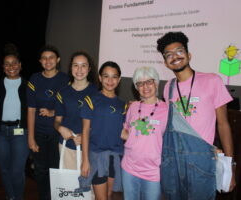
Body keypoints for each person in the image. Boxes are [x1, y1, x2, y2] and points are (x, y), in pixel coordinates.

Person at [156, 31, 236, 199]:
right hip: (174, 162)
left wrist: (229, 166)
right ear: (165, 63)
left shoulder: (212, 81)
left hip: (201, 163)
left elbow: (223, 124)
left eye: (179, 51)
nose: (175, 57)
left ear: (189, 54)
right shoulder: (168, 87)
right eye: (168, 54)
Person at [0, 43, 29, 200]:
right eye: (7, 64)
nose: (11, 66)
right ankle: (10, 197)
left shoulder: (29, 86)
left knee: (17, 171)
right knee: (4, 170)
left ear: (20, 65)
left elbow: (34, 111)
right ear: (3, 67)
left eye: (14, 63)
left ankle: (19, 197)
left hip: (20, 132)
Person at [26, 45, 69, 200]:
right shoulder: (34, 79)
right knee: (40, 170)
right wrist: (30, 138)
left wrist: (53, 112)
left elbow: (69, 108)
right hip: (38, 133)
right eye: (44, 58)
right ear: (40, 61)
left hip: (57, 134)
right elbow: (30, 110)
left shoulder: (66, 80)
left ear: (57, 60)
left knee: (57, 170)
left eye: (51, 57)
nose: (48, 61)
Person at [79, 61, 126, 200]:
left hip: (116, 157)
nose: (110, 80)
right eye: (106, 76)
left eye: (114, 76)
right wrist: (85, 161)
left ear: (119, 79)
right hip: (96, 157)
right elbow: (85, 131)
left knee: (110, 195)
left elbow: (123, 132)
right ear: (100, 78)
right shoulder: (90, 101)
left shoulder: (123, 105)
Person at [121, 66, 167, 200]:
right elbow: (125, 130)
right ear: (136, 87)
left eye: (149, 81)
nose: (145, 86)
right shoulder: (133, 107)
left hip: (153, 171)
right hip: (129, 168)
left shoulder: (167, 109)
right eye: (140, 83)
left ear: (156, 83)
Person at [54, 51, 98, 170]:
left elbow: (101, 124)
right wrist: (59, 128)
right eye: (75, 65)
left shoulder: (97, 93)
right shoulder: (62, 93)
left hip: (91, 148)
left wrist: (85, 136)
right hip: (67, 147)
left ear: (89, 68)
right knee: (70, 187)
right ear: (71, 67)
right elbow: (57, 120)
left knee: (88, 187)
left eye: (83, 65)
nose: (79, 69)